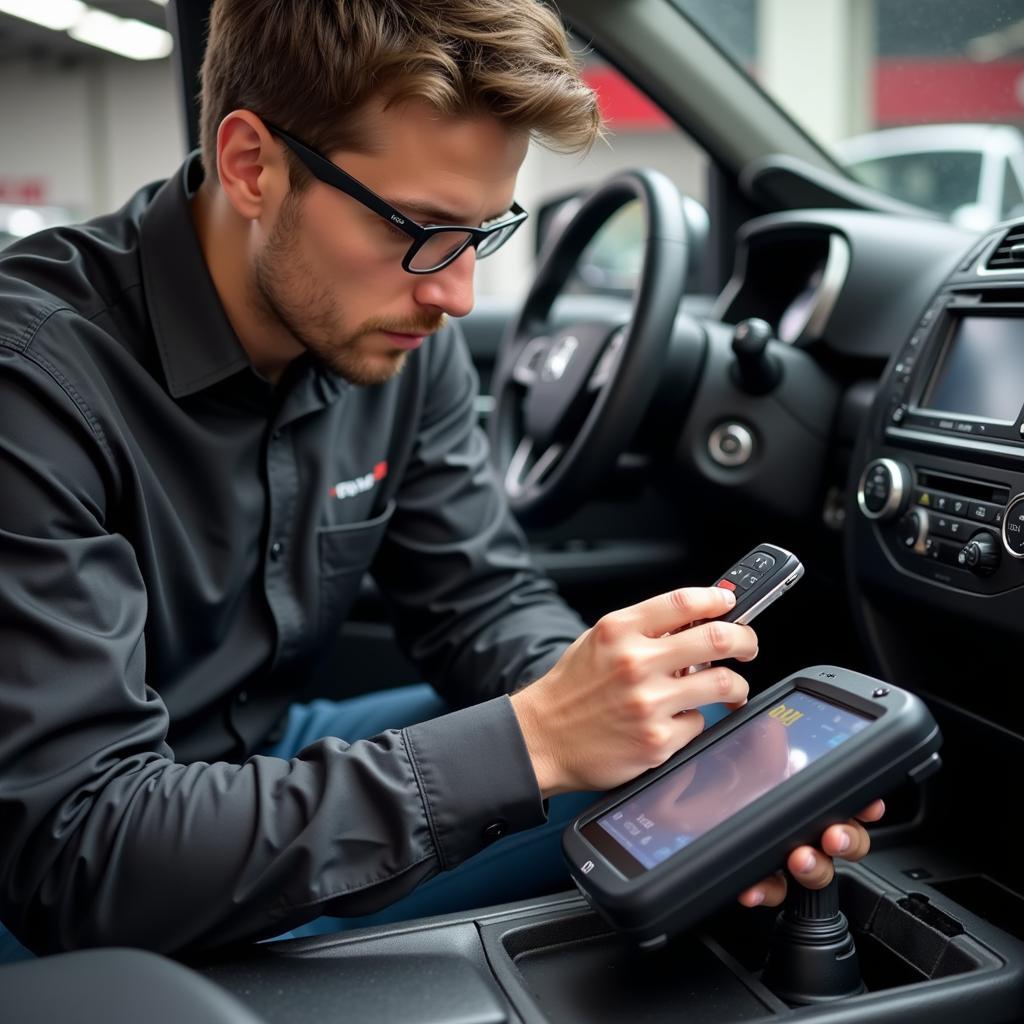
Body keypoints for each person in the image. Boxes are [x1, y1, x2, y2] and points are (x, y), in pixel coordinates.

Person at [0, 0, 882, 961]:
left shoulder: (392, 335)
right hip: (88, 853)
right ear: (253, 165)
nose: (454, 294)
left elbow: (477, 597)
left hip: (258, 742)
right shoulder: (33, 384)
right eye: (418, 228)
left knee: (679, 729)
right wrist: (536, 743)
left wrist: (658, 757)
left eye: (480, 233)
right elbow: (75, 852)